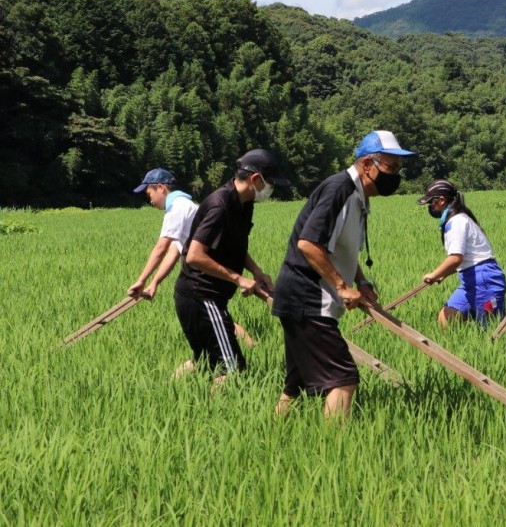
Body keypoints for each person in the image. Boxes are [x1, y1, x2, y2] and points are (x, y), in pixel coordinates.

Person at [272, 130, 415, 419]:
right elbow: (309, 244)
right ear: (366, 165)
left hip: (305, 298)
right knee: (343, 378)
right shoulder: (340, 190)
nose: (395, 176)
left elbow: (340, 248)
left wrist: (361, 282)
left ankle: (271, 435)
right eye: (390, 168)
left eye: (399, 169)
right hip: (308, 298)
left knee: (297, 384)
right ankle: (334, 450)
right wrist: (341, 286)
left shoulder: (358, 196)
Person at [172, 148, 289, 386]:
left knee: (204, 360)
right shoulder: (220, 205)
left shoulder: (244, 203)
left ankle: (164, 395)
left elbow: (233, 245)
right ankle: (212, 418)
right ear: (256, 179)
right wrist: (237, 278)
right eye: (271, 183)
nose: (271, 189)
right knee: (232, 369)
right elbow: (194, 256)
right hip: (201, 295)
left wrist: (256, 271)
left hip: (201, 296)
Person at [128, 168, 257, 352]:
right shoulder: (184, 206)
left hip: (205, 273)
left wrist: (141, 280)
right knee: (215, 325)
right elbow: (174, 251)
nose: (149, 199)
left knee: (216, 322)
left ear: (160, 188)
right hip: (206, 270)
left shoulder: (178, 208)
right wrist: (154, 282)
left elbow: (161, 248)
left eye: (149, 193)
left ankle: (251, 349)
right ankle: (252, 348)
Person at [417, 179, 506, 329]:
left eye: (431, 202)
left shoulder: (457, 221)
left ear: (441, 200)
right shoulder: (455, 220)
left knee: (490, 328)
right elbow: (464, 259)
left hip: (485, 279)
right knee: (446, 318)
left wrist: (434, 274)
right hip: (469, 279)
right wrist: (443, 274)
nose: (430, 207)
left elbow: (456, 258)